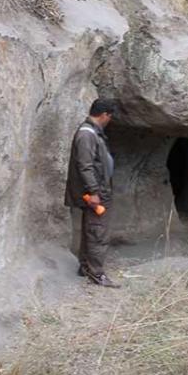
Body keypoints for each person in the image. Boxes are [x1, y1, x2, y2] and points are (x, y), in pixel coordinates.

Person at [65, 99, 119, 288]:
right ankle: (97, 274)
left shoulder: (91, 133)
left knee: (91, 229)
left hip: (98, 189)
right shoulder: (87, 134)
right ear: (104, 114)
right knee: (98, 232)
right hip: (96, 193)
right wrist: (94, 191)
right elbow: (85, 166)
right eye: (110, 117)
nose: (109, 120)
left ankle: (86, 267)